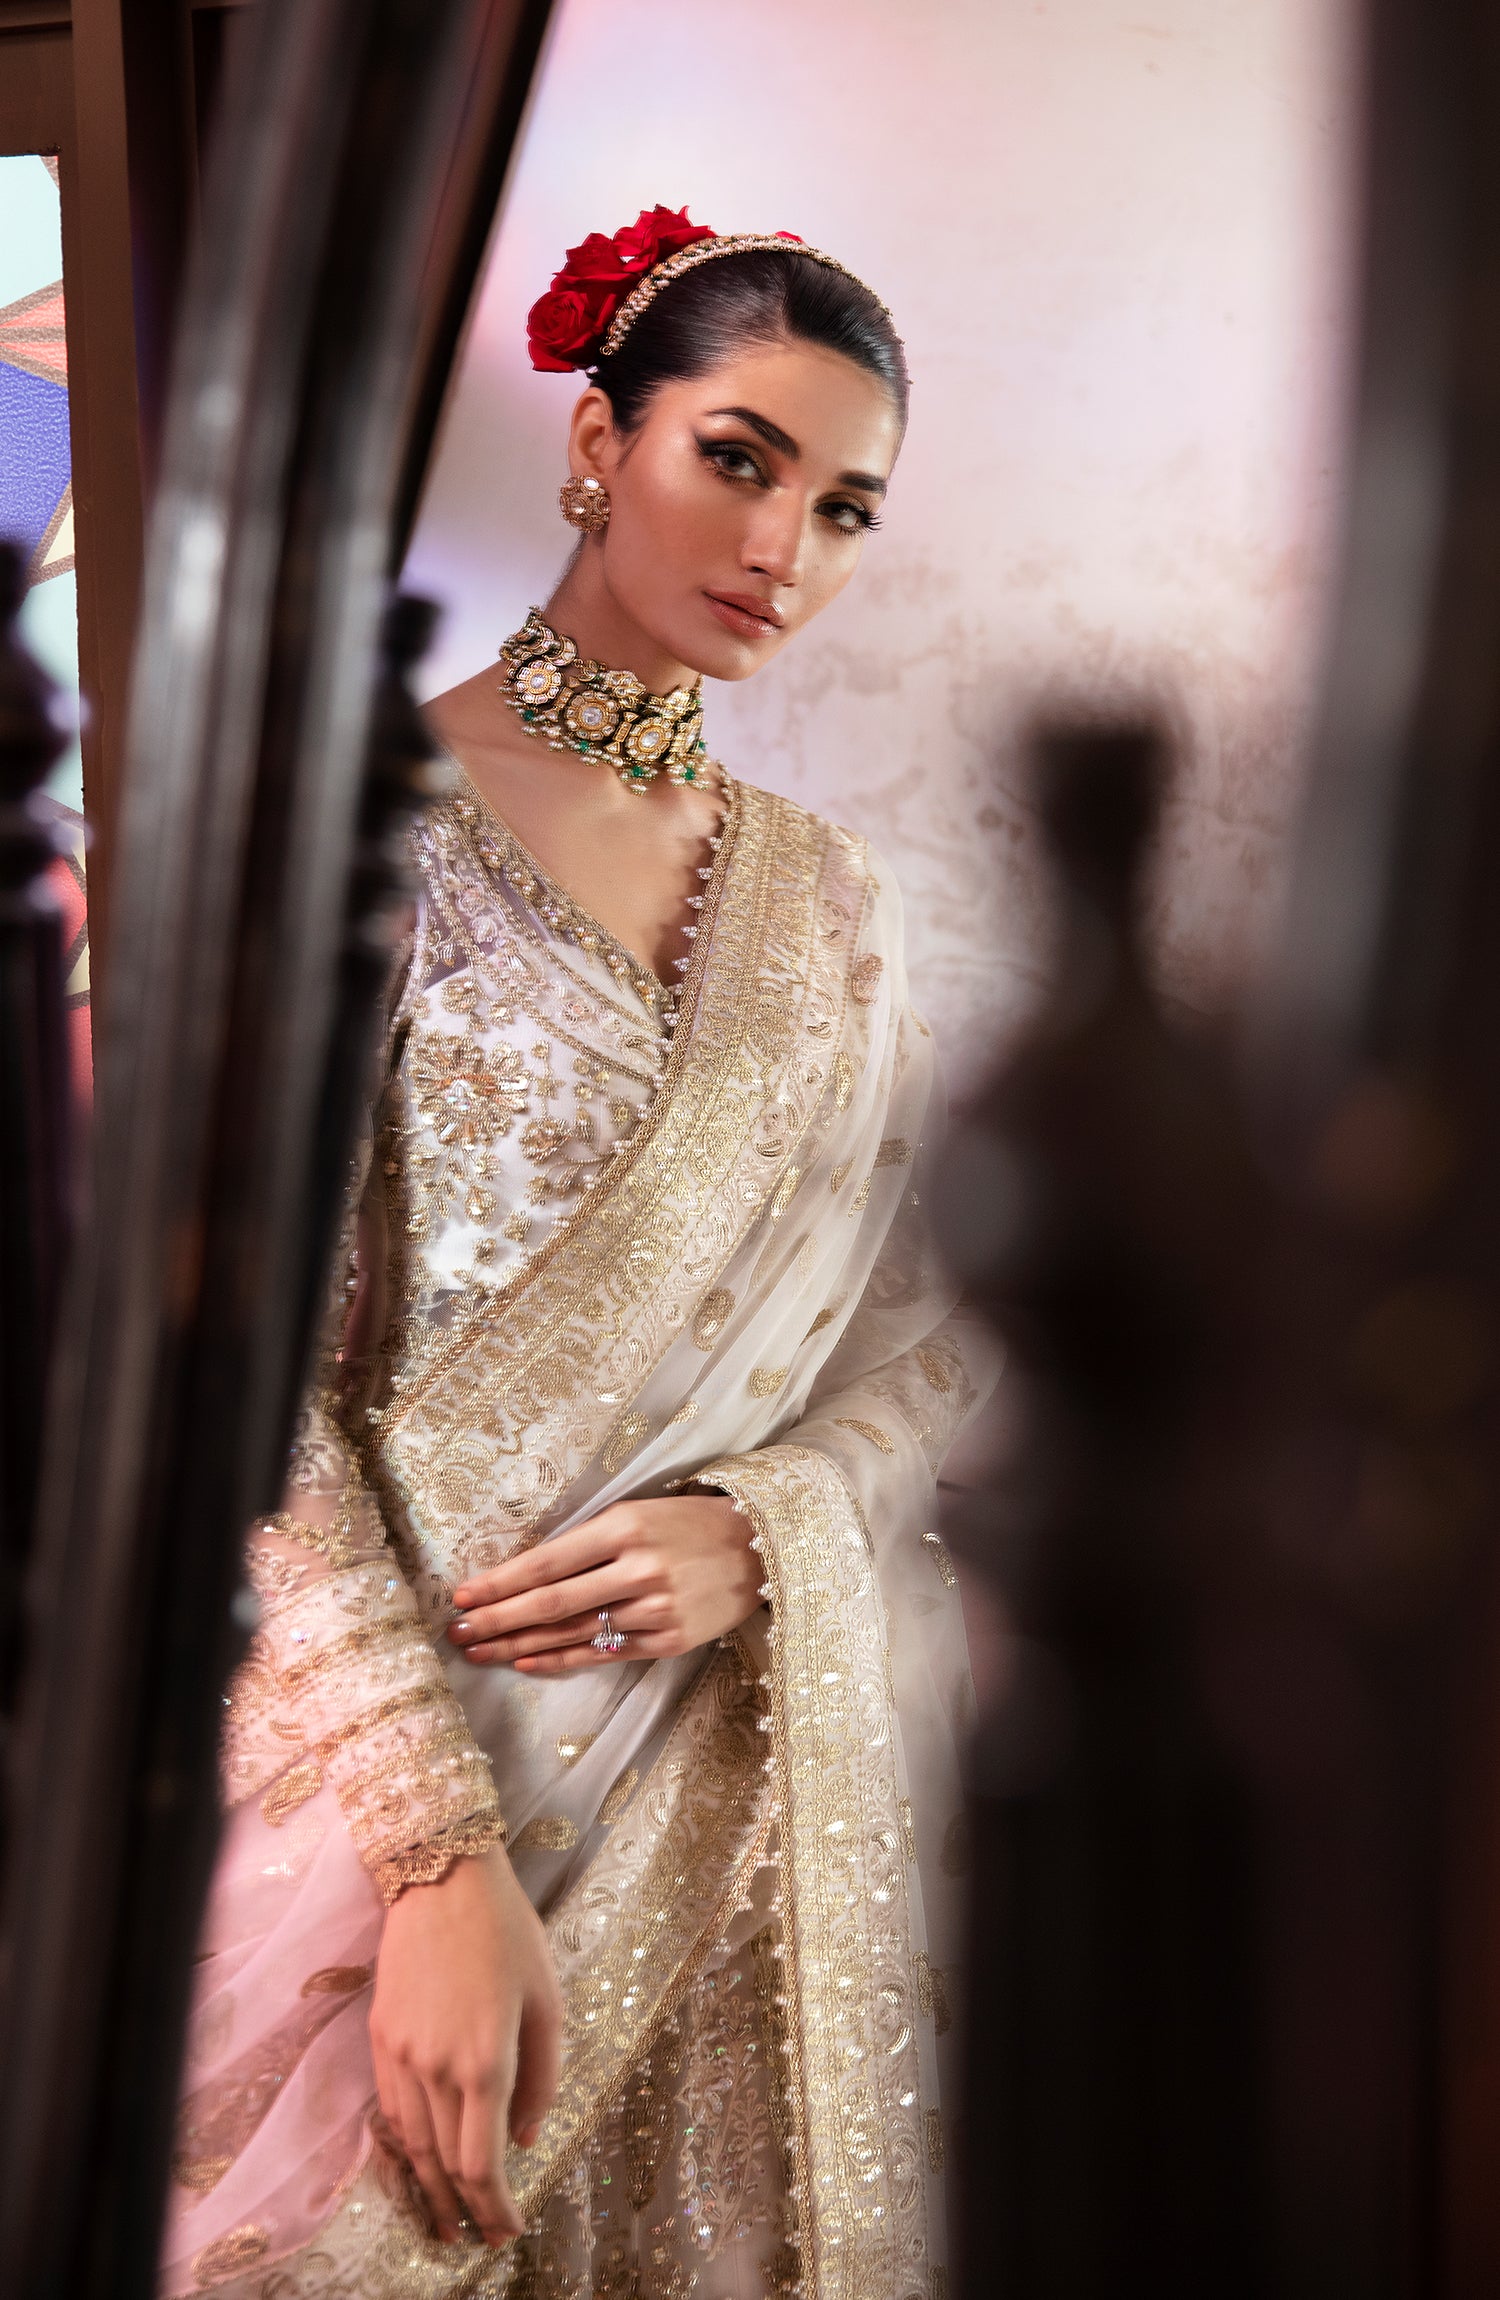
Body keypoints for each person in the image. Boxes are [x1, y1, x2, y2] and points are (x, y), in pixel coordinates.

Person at [162, 205, 997, 2300]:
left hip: (724, 1796)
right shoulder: (346, 830)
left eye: (845, 508)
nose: (782, 548)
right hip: (375, 1807)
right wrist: (438, 1857)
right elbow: (232, 1381)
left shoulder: (841, 908)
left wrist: (767, 1525)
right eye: (739, 458)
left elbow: (945, 1342)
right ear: (599, 439)